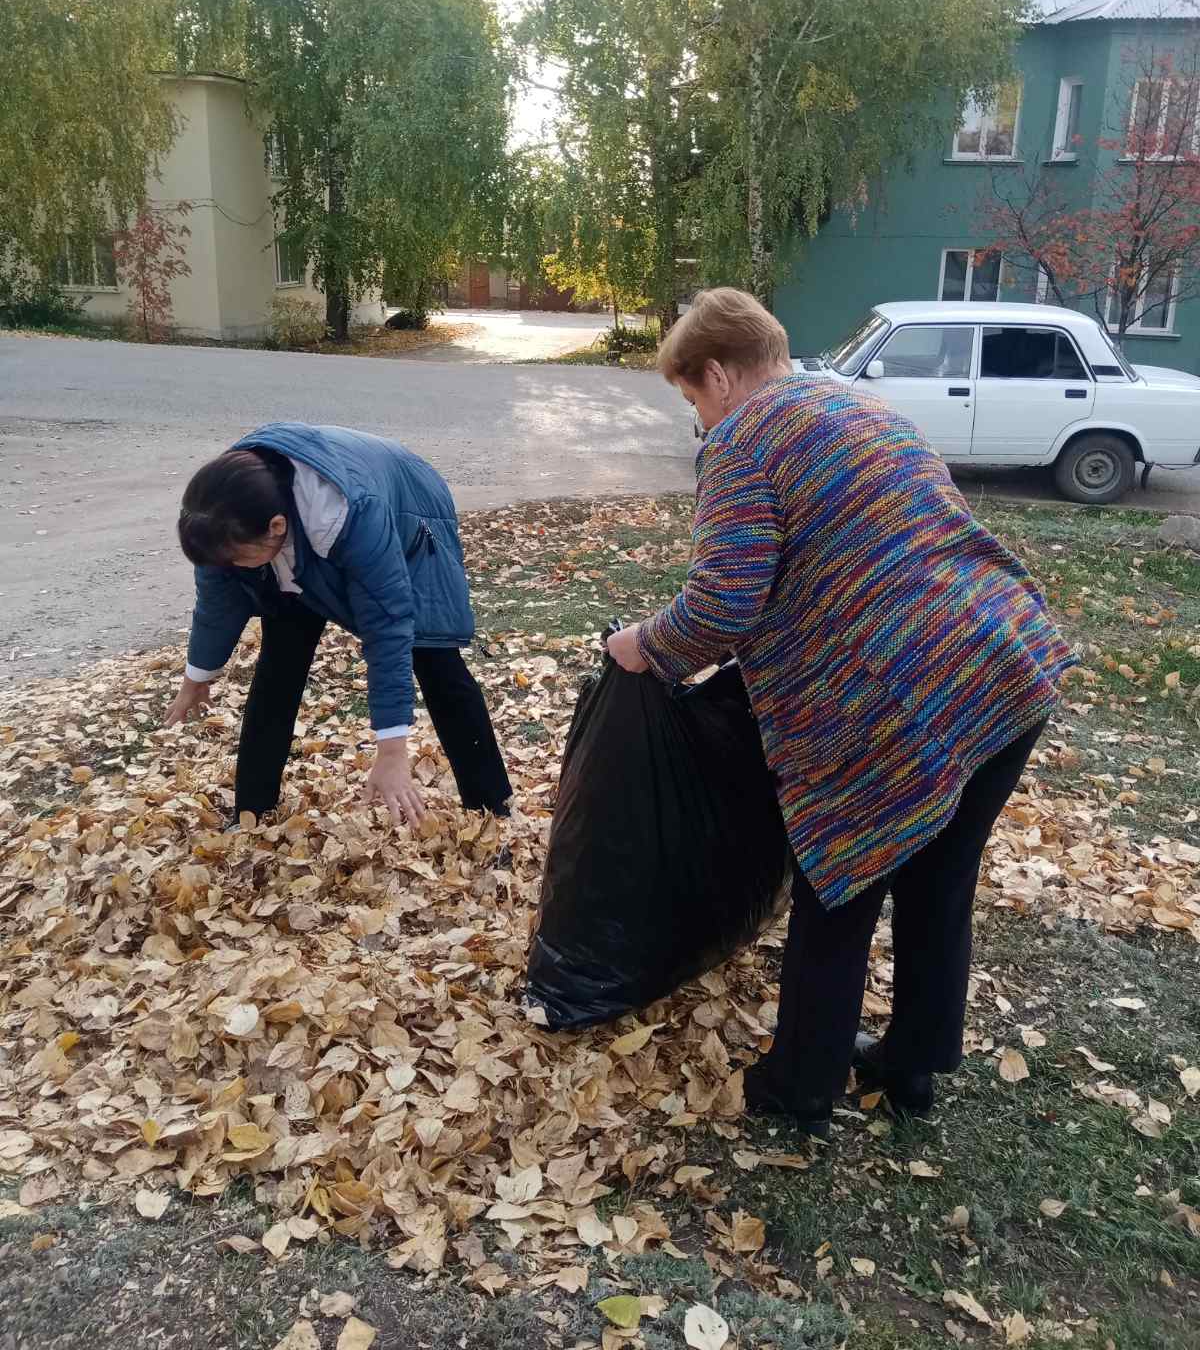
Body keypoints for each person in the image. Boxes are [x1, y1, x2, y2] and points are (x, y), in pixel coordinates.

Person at [606, 289, 1074, 1138]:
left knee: (842, 874)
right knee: (940, 880)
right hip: (1007, 660)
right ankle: (912, 1068)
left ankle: (800, 1086)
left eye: (693, 400)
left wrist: (648, 645)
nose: (700, 420)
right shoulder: (861, 405)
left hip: (899, 692)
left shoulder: (746, 436)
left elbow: (724, 601)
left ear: (716, 375)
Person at [166, 422, 511, 829]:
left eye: (237, 561)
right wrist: (197, 675)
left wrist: (392, 751)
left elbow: (387, 625)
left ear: (277, 527)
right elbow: (217, 601)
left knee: (435, 661)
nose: (230, 571)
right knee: (279, 665)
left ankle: (493, 806)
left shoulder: (352, 512)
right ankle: (252, 812)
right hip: (296, 545)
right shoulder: (222, 518)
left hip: (408, 514)